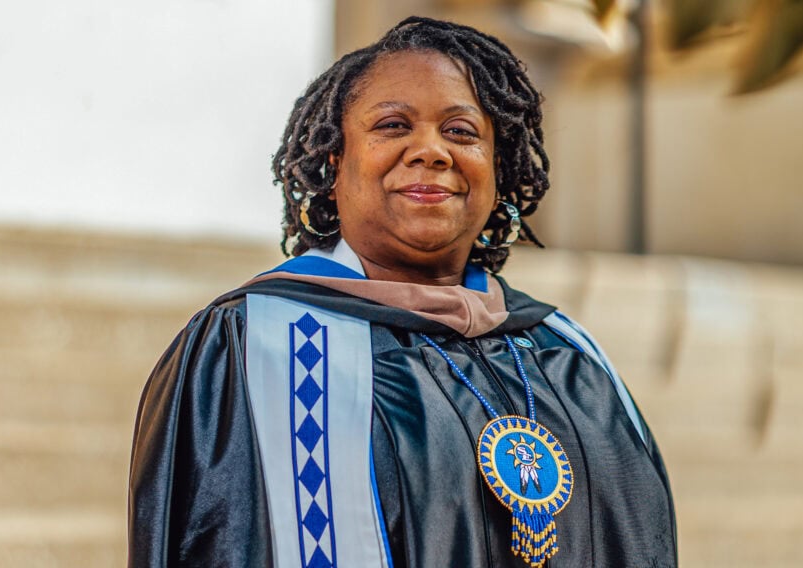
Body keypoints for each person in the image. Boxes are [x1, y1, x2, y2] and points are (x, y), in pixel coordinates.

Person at [129, 16, 676, 568]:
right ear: (333, 162)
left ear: (497, 171)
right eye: (393, 125)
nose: (431, 151)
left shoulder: (568, 353)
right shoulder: (249, 349)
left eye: (461, 132)